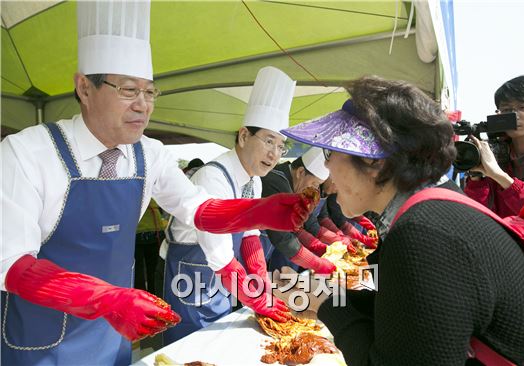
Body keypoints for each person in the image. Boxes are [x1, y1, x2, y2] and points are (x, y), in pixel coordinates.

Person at [0, 2, 314, 365]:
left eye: (149, 92)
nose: (143, 106)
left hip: (113, 332)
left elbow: (197, 209)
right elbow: (11, 264)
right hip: (42, 338)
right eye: (128, 90)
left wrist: (258, 211)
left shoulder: (148, 153)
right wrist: (105, 299)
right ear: (84, 88)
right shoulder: (26, 153)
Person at [276, 75, 524, 365]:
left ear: (374, 162)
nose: (327, 165)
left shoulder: (424, 233)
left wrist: (326, 306)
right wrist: (325, 297)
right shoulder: (438, 205)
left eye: (330, 152)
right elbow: (407, 310)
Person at [160, 66, 296, 344]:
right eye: (269, 140)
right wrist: (257, 298)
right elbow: (221, 256)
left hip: (221, 283)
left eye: (281, 146)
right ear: (244, 135)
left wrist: (260, 280)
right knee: (190, 349)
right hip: (191, 275)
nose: (274, 153)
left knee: (219, 342)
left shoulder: (254, 181)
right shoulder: (213, 177)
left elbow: (250, 235)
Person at [465, 75, 524, 217]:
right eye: (506, 110)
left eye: (523, 107)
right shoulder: (493, 154)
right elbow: (474, 217)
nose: (514, 115)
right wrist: (476, 178)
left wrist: (500, 177)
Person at [261, 147, 337, 273]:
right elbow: (283, 237)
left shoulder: (297, 188)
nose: (315, 189)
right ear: (300, 172)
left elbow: (300, 225)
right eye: (314, 183)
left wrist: (321, 247)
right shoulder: (274, 181)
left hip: (266, 251)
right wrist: (316, 263)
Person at [135, 199, 166, 296]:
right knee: (150, 271)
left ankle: (141, 300)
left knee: (139, 271)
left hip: (151, 230)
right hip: (153, 230)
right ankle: (151, 300)